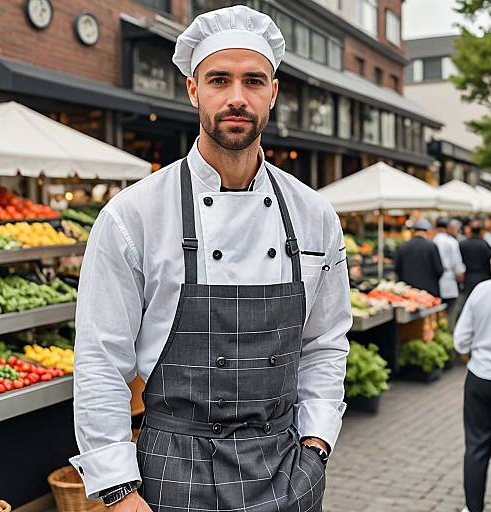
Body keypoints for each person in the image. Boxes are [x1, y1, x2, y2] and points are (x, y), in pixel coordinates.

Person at [69, 6, 351, 512]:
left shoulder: (315, 215)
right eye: (219, 80)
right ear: (194, 90)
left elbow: (326, 343)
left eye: (253, 81)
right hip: (170, 475)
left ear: (274, 92)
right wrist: (117, 491)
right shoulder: (132, 216)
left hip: (287, 469)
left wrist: (317, 444)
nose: (237, 98)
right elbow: (100, 363)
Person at [454, 243, 491, 512]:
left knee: (476, 447)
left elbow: (460, 341)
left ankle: (473, 508)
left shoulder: (482, 291)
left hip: (480, 377)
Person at [394, 218, 444, 297]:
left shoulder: (403, 246)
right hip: (429, 291)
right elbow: (439, 270)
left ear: (413, 231)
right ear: (428, 231)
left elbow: (397, 269)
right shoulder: (431, 246)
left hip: (408, 291)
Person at [433, 217, 465, 328]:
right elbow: (457, 263)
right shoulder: (452, 241)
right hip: (449, 278)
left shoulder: (432, 240)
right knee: (449, 313)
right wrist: (460, 276)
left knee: (435, 314)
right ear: (447, 228)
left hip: (435, 280)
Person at [459, 219, 491, 299]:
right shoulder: (485, 245)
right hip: (484, 278)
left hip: (468, 277)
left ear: (470, 230)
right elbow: (490, 261)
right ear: (481, 231)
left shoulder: (462, 244)